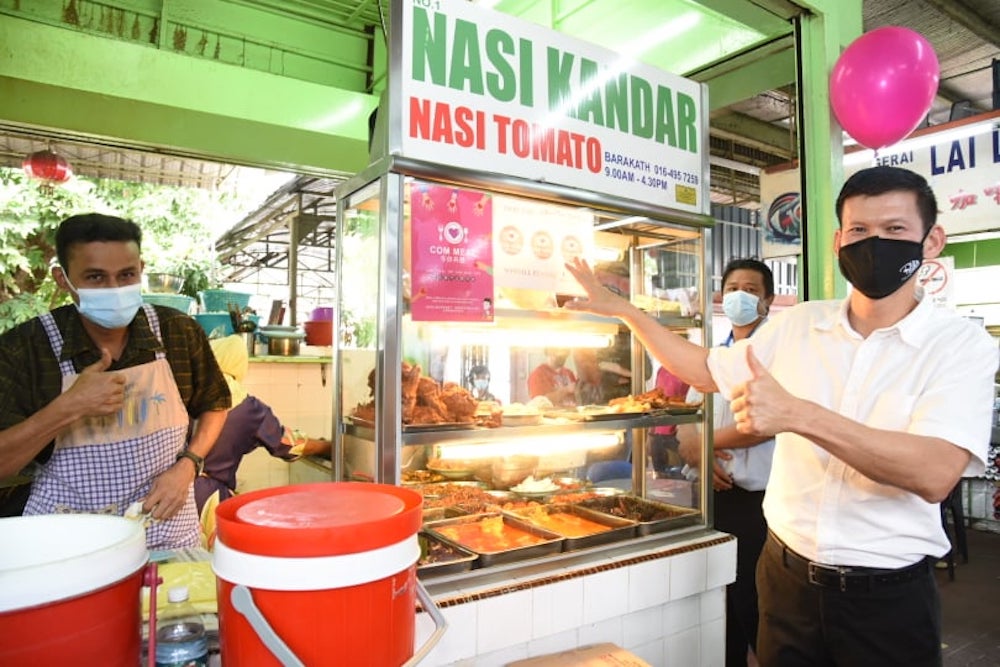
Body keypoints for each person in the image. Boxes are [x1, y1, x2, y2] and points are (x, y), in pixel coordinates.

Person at [564, 166, 998, 666]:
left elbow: (934, 472)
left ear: (931, 239)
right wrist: (625, 311)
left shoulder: (959, 344)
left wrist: (798, 414)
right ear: (839, 240)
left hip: (887, 599)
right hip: (786, 580)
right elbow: (703, 371)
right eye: (859, 230)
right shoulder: (800, 326)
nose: (874, 243)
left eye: (895, 230)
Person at [0, 213, 231, 550]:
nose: (115, 289)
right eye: (95, 277)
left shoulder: (177, 332)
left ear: (141, 268)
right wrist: (67, 408)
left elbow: (215, 405)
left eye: (126, 275)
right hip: (66, 544)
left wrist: (188, 466)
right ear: (62, 279)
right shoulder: (25, 349)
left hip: (164, 535)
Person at [677, 258, 776, 667]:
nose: (741, 295)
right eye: (734, 287)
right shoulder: (717, 354)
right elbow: (686, 415)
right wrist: (696, 450)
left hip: (758, 501)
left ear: (767, 302)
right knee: (723, 603)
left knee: (755, 603)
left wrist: (704, 445)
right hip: (714, 494)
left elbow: (765, 423)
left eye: (751, 290)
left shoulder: (773, 352)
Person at [196, 335, 331, 514]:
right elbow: (287, 444)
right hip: (207, 500)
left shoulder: (185, 393)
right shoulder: (248, 408)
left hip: (168, 491)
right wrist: (327, 447)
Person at [648, 365, 691, 476]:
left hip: (677, 435)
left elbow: (690, 404)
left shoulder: (688, 371)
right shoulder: (661, 370)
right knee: (659, 476)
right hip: (658, 434)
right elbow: (656, 402)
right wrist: (649, 435)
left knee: (681, 477)